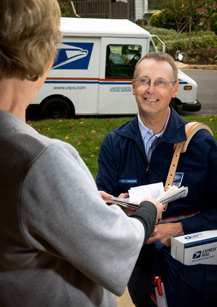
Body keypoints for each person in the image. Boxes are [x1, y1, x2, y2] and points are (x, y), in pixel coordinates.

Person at [0, 1, 164, 306]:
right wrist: (148, 211)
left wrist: (84, 206)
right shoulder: (39, 159)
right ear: (41, 59)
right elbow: (114, 247)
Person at [96, 52, 217, 305]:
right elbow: (100, 211)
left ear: (175, 89)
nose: (151, 90)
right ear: (132, 87)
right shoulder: (115, 143)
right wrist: (117, 207)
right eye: (144, 81)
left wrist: (177, 229)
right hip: (139, 268)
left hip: (191, 271)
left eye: (161, 82)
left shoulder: (199, 143)